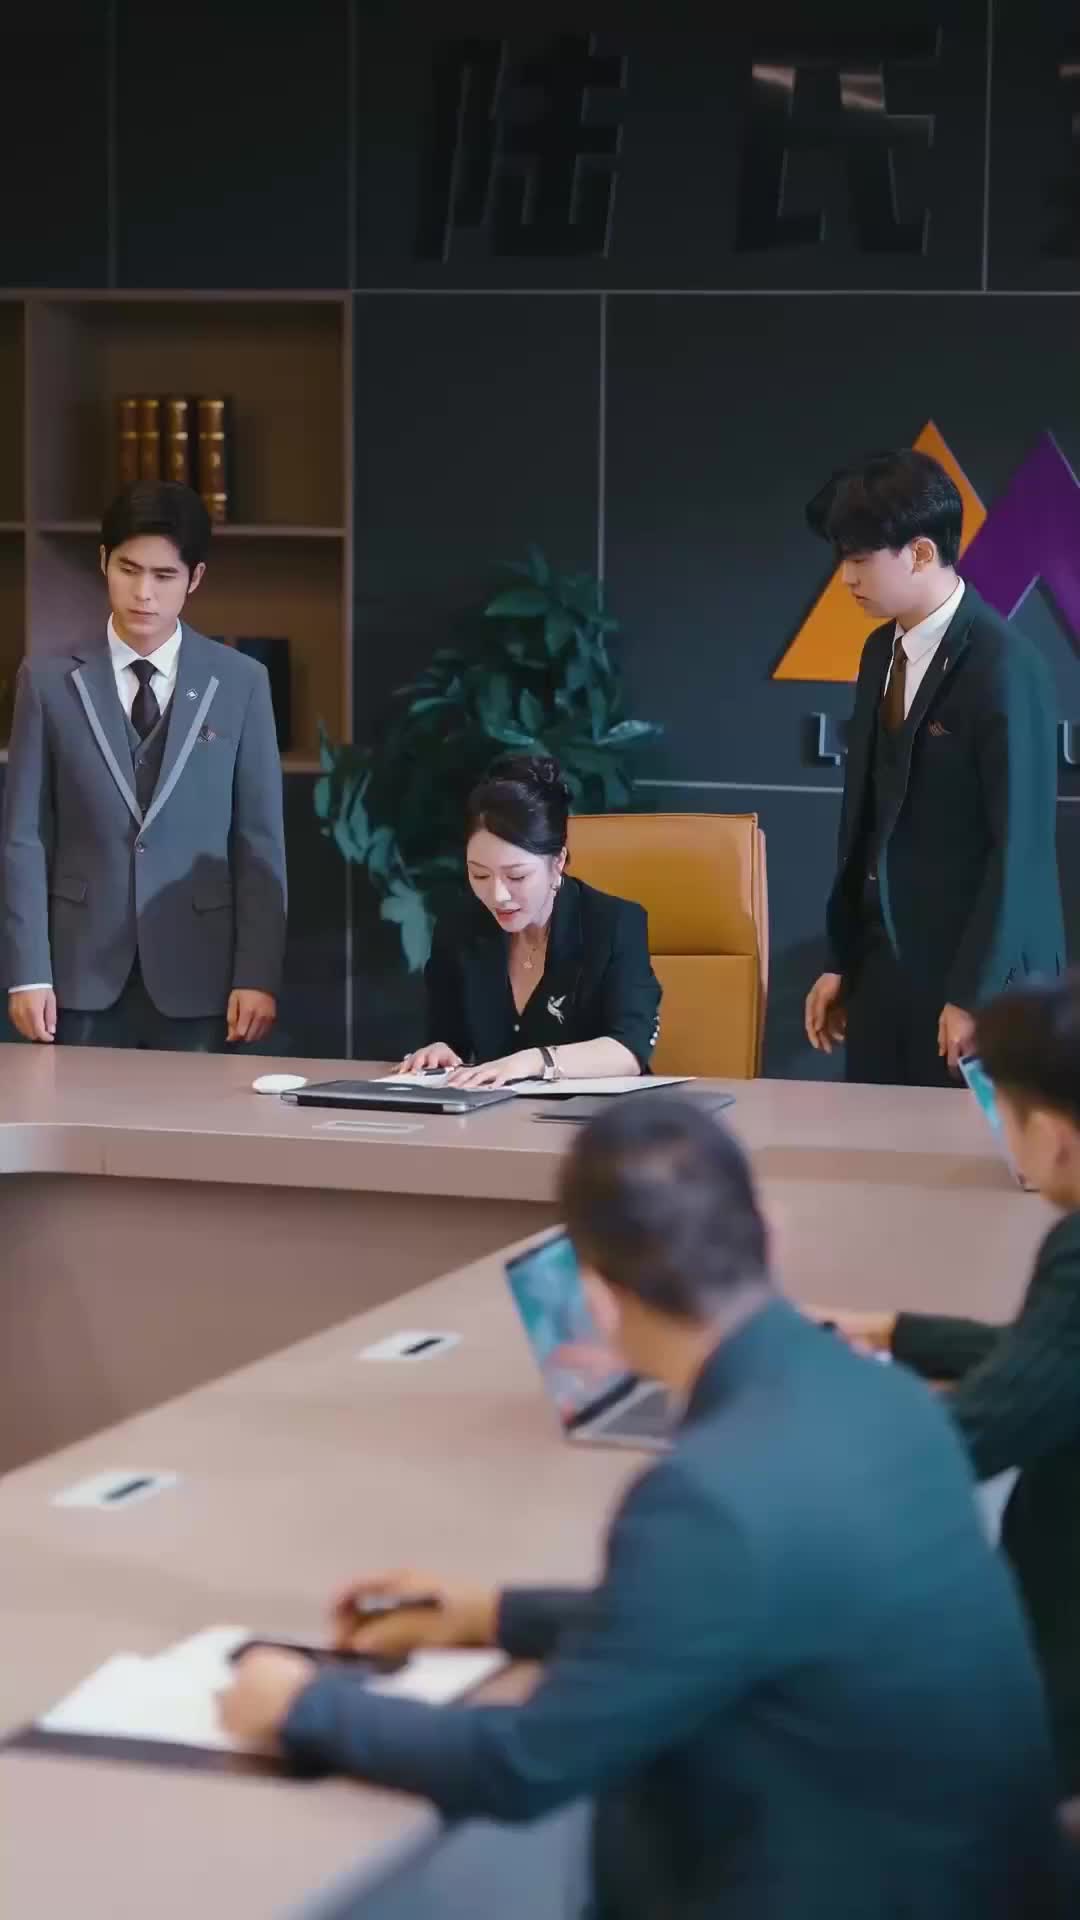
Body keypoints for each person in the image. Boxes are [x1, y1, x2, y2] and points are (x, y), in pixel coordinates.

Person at [219, 1098, 1063, 1919]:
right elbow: (737, 1611)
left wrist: (299, 1706)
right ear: (768, 1234)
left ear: (597, 1299)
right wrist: (494, 1615)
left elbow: (528, 1763)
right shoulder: (884, 1397)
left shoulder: (706, 1497)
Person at [819, 973, 1080, 1799]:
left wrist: (795, 1433)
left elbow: (964, 1440)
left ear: (1055, 1138)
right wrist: (897, 1333)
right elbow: (1052, 1354)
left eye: (1004, 1111)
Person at [803, 448, 1063, 1088]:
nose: (845, 578)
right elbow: (864, 819)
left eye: (860, 559)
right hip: (879, 972)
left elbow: (1021, 849)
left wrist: (974, 993)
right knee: (868, 1142)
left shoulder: (1005, 666)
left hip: (974, 984)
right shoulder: (877, 651)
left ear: (920, 553)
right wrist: (841, 958)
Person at [2, 481, 286, 1051]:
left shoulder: (241, 682)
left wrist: (257, 974)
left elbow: (259, 840)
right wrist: (28, 971)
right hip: (75, 975)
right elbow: (24, 837)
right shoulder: (47, 681)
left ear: (195, 578)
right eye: (128, 570)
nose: (143, 594)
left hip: (202, 973)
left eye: (164, 576)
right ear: (103, 562)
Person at [395, 754, 661, 1088]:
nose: (497, 895)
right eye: (480, 875)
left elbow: (628, 1049)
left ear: (558, 861)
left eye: (517, 876)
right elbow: (449, 1038)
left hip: (597, 1114)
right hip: (494, 1113)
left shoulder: (613, 923)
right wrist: (438, 1051)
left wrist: (531, 1061)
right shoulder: (459, 927)